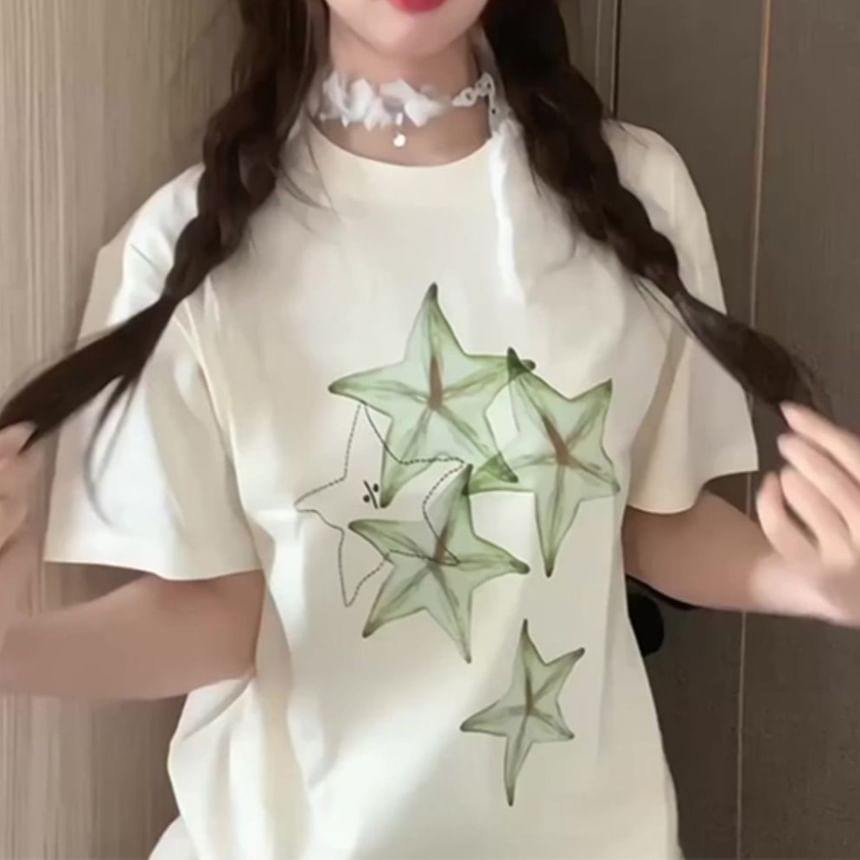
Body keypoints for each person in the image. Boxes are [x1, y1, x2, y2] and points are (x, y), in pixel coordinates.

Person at [1, 1, 859, 857]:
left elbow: (649, 520)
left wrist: (818, 584)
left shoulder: (640, 194)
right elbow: (221, 616)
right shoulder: (179, 251)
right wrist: (13, 651)